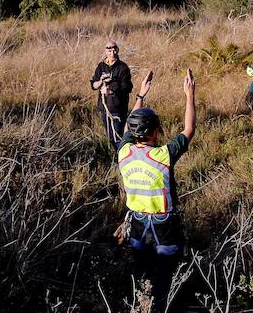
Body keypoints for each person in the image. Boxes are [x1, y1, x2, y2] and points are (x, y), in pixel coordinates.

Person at [118, 69, 196, 311]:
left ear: (132, 131)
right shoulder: (163, 155)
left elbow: (126, 132)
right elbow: (188, 130)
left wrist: (140, 95)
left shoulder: (124, 152)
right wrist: (189, 95)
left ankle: (139, 303)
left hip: (138, 224)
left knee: (140, 269)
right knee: (164, 273)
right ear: (155, 132)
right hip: (165, 225)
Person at [90, 40, 133, 148]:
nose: (112, 52)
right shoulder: (101, 66)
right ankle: (117, 158)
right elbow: (93, 85)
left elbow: (128, 87)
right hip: (104, 108)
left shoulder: (123, 67)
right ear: (106, 51)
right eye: (109, 50)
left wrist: (111, 91)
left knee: (118, 136)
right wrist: (101, 82)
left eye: (114, 49)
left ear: (117, 50)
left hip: (118, 109)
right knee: (110, 137)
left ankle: (123, 160)